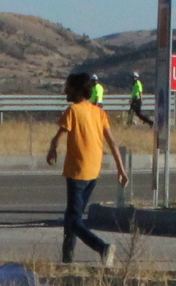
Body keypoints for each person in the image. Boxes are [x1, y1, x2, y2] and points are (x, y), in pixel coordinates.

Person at [44, 70, 128, 266]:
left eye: (68, 87)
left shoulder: (73, 111)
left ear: (76, 90)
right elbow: (113, 143)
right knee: (72, 216)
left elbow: (58, 136)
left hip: (77, 171)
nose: (66, 90)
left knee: (73, 220)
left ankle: (102, 247)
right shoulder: (99, 112)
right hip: (93, 171)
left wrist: (52, 150)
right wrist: (121, 169)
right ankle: (67, 259)